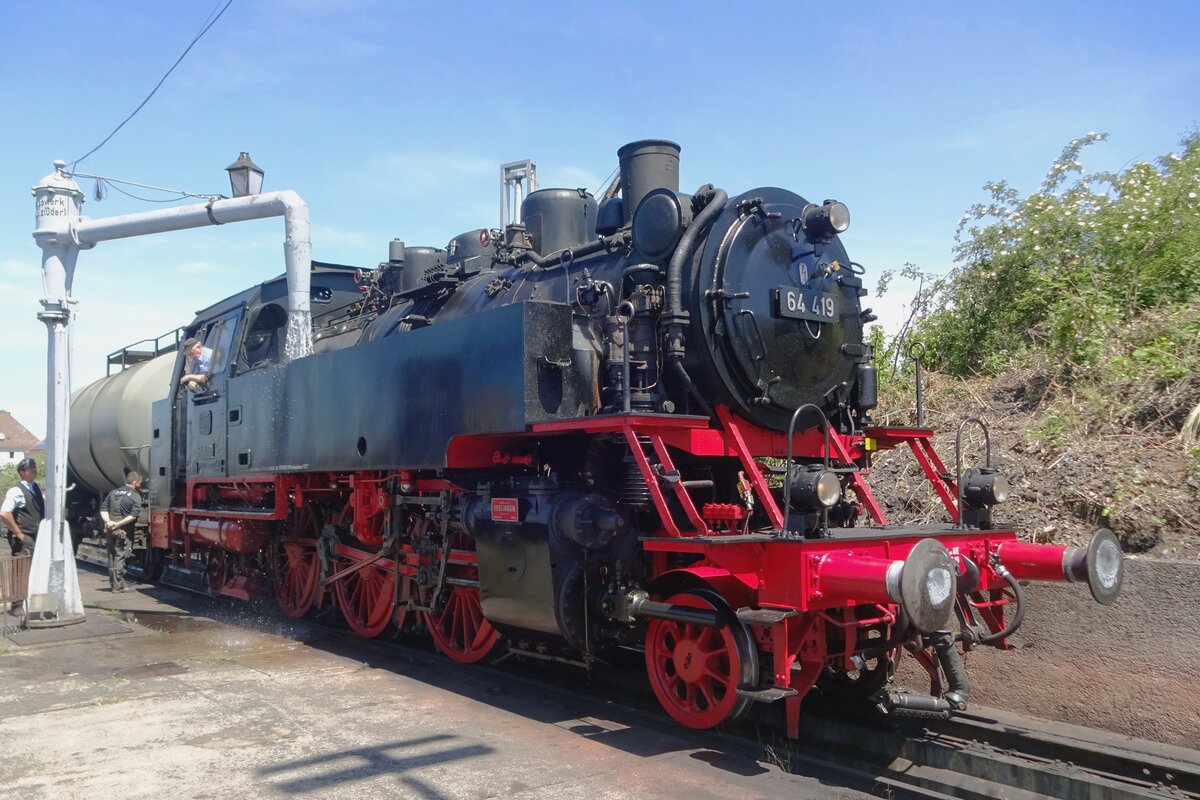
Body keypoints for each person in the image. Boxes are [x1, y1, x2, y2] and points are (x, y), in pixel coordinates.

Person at [99, 472, 142, 593]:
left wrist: (108, 522)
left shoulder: (114, 492)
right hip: (123, 530)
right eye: (140, 482)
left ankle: (115, 583)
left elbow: (103, 509)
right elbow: (133, 516)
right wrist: (118, 524)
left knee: (111, 556)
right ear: (135, 482)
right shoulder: (135, 495)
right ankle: (118, 586)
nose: (140, 484)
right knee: (120, 556)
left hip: (110, 529)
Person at [1, 457, 44, 558]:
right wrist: (20, 535)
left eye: (34, 467)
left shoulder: (36, 487)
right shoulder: (16, 491)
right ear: (22, 472)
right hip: (24, 538)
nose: (34, 470)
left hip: (36, 536)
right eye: (31, 468)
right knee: (21, 570)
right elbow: (4, 513)